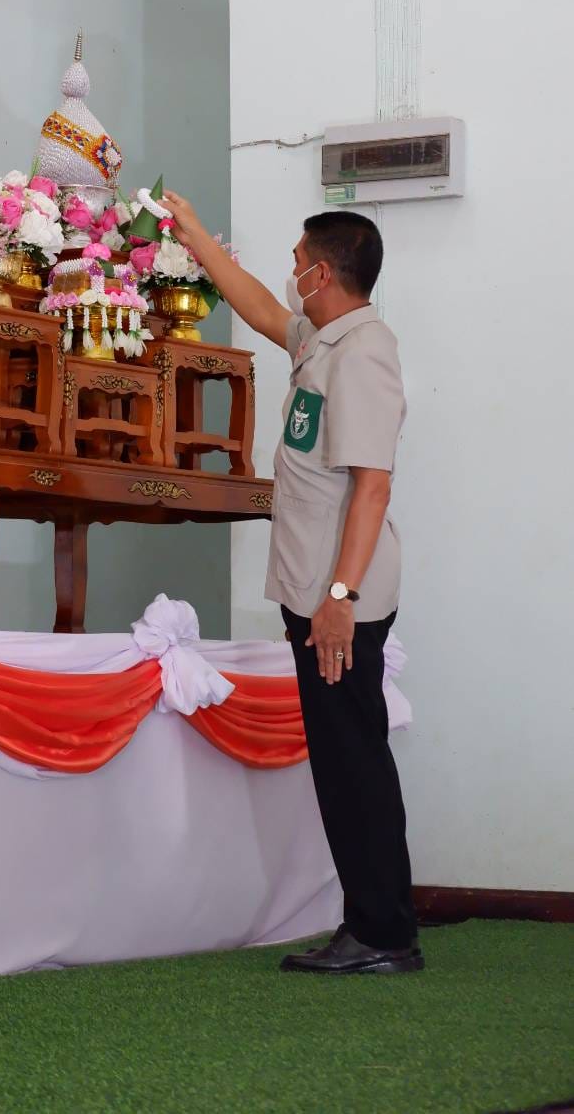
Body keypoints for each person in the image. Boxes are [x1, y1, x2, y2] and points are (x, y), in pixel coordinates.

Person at [162, 194, 423, 977]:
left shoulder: (364, 352)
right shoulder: (322, 337)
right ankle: (376, 925)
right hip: (315, 593)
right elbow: (263, 311)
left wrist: (339, 601)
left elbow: (371, 487)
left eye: (297, 260)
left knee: (354, 765)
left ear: (323, 272)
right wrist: (197, 238)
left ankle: (380, 932)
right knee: (344, 761)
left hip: (337, 602)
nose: (289, 271)